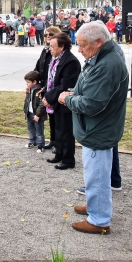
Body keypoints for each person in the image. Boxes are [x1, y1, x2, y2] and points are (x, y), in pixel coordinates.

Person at [59, 21, 128, 234]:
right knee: (94, 174)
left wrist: (67, 99)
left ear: (98, 42)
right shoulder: (101, 54)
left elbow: (92, 104)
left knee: (97, 175)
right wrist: (75, 94)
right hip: (95, 128)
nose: (79, 50)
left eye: (83, 45)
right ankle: (95, 206)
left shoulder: (107, 64)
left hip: (98, 129)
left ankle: (99, 220)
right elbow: (88, 89)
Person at [43, 33, 81, 170]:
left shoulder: (70, 61)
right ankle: (59, 154)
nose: (50, 49)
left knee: (66, 132)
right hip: (55, 101)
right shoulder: (55, 59)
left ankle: (68, 159)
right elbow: (51, 80)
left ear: (62, 47)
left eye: (52, 46)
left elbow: (65, 85)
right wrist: (46, 93)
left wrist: (49, 97)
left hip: (65, 101)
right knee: (58, 130)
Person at [23, 71, 47, 151]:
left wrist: (38, 115)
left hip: (37, 114)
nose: (27, 84)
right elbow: (27, 100)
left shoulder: (39, 91)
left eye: (28, 82)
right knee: (31, 128)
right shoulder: (30, 89)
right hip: (29, 113)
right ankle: (32, 141)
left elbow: (42, 104)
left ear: (34, 82)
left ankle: (40, 145)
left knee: (39, 130)